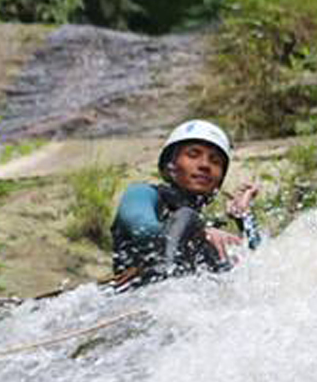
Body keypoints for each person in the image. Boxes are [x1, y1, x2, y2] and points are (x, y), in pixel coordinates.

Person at [111, 119, 261, 290]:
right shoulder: (142, 194)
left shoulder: (209, 228)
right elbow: (142, 227)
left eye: (215, 161)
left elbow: (261, 264)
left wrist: (243, 216)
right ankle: (168, 282)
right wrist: (199, 231)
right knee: (187, 217)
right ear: (170, 166)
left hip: (190, 308)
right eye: (193, 154)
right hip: (140, 298)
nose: (205, 165)